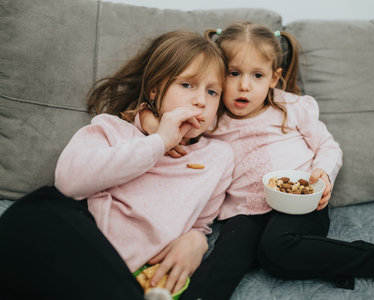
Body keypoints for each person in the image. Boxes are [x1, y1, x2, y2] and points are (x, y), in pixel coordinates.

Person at [141, 22, 374, 300]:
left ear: (274, 78)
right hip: (245, 212)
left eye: (257, 75)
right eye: (234, 73)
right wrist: (149, 121)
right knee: (227, 256)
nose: (244, 86)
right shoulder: (212, 119)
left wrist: (324, 173)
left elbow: (327, 146)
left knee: (275, 254)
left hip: (301, 202)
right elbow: (166, 119)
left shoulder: (291, 107)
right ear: (219, 75)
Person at [0, 31, 234, 300]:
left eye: (212, 91)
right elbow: (68, 182)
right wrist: (158, 143)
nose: (201, 101)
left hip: (123, 274)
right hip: (83, 245)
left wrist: (198, 241)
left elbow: (200, 222)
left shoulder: (219, 156)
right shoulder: (112, 128)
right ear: (155, 89)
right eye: (187, 85)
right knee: (39, 206)